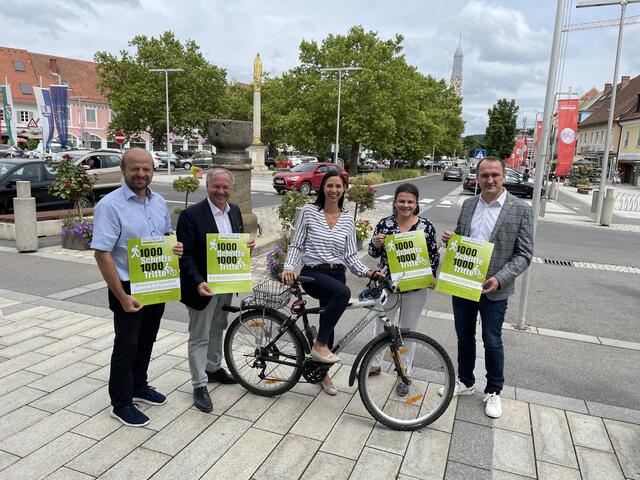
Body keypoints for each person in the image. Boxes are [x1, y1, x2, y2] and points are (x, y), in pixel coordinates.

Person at [91, 148, 183, 427]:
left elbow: (165, 235)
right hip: (127, 286)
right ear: (123, 169)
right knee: (126, 345)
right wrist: (121, 296)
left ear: (153, 170)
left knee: (147, 340)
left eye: (146, 169)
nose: (141, 174)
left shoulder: (157, 202)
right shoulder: (110, 206)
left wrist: (173, 246)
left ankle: (139, 385)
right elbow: (102, 253)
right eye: (135, 169)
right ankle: (120, 402)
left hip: (155, 282)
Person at [441, 156, 533, 419]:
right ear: (477, 177)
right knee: (464, 336)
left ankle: (494, 391)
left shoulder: (520, 209)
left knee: (492, 341)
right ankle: (466, 382)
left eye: (495, 175)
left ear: (503, 176)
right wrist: (453, 240)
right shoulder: (469, 205)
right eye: (484, 175)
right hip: (464, 284)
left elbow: (524, 254)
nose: (490, 180)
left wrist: (501, 278)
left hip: (495, 288)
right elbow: (463, 241)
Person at [282, 170, 382, 396]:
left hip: (337, 273)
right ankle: (319, 347)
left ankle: (322, 372)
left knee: (329, 321)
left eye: (338, 186)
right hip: (313, 273)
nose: (334, 190)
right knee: (343, 294)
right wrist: (289, 267)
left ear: (344, 189)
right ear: (322, 188)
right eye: (330, 186)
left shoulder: (347, 218)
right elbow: (296, 244)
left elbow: (350, 255)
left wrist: (368, 273)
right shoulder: (309, 211)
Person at [176, 168, 255, 413]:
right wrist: (198, 281)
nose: (221, 191)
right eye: (216, 186)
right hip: (202, 287)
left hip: (225, 284)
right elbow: (186, 255)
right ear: (207, 187)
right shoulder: (191, 215)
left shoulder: (235, 212)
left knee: (218, 327)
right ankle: (199, 385)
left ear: (231, 189)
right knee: (199, 334)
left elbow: (233, 249)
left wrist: (246, 248)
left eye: (225, 187)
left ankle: (212, 367)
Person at [368, 183, 440, 396]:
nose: (406, 205)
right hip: (388, 284)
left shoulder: (425, 226)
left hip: (415, 287)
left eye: (410, 202)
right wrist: (377, 244)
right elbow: (373, 252)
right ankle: (376, 362)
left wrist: (431, 277)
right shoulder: (385, 224)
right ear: (395, 202)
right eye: (402, 201)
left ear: (416, 204)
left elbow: (433, 254)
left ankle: (404, 373)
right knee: (381, 327)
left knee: (407, 331)